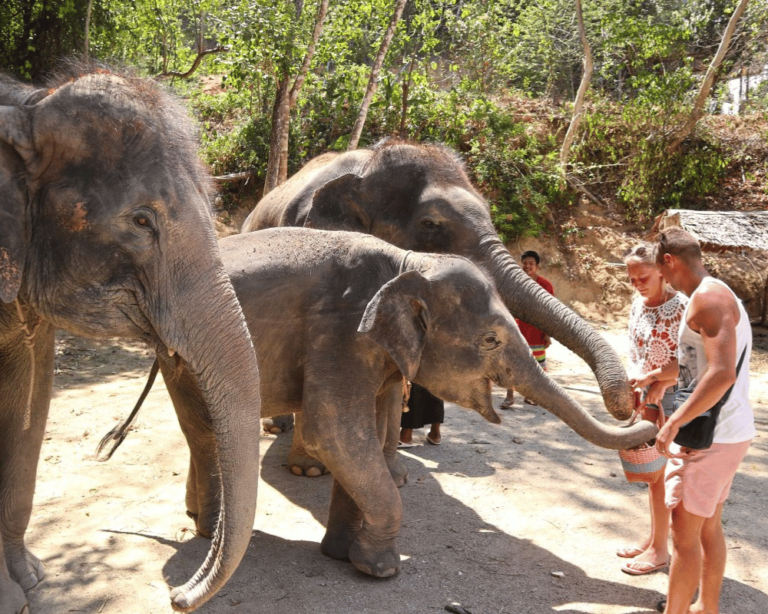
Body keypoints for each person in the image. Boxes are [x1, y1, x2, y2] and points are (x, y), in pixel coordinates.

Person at [654, 227, 755, 614]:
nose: (664, 281)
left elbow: (721, 373)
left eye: (662, 273)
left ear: (670, 261)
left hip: (711, 437)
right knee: (708, 526)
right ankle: (705, 607)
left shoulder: (709, 300)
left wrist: (674, 420)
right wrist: (658, 377)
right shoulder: (712, 292)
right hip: (727, 432)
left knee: (683, 538)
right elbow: (695, 362)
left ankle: (676, 611)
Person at [617, 244, 687, 576]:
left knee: (665, 477)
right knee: (652, 474)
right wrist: (635, 383)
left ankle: (661, 552)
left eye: (642, 277)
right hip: (648, 397)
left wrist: (657, 378)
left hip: (675, 399)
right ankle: (654, 539)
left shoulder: (683, 308)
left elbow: (690, 362)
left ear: (661, 270)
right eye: (631, 279)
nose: (637, 284)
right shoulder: (637, 306)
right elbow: (634, 352)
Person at [500, 250, 554, 409]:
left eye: (531, 263)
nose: (527, 266)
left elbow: (551, 311)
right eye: (525, 263)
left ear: (537, 266)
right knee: (511, 363)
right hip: (516, 331)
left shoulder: (545, 285)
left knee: (537, 367)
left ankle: (531, 396)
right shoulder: (514, 283)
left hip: (536, 332)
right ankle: (509, 396)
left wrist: (548, 334)